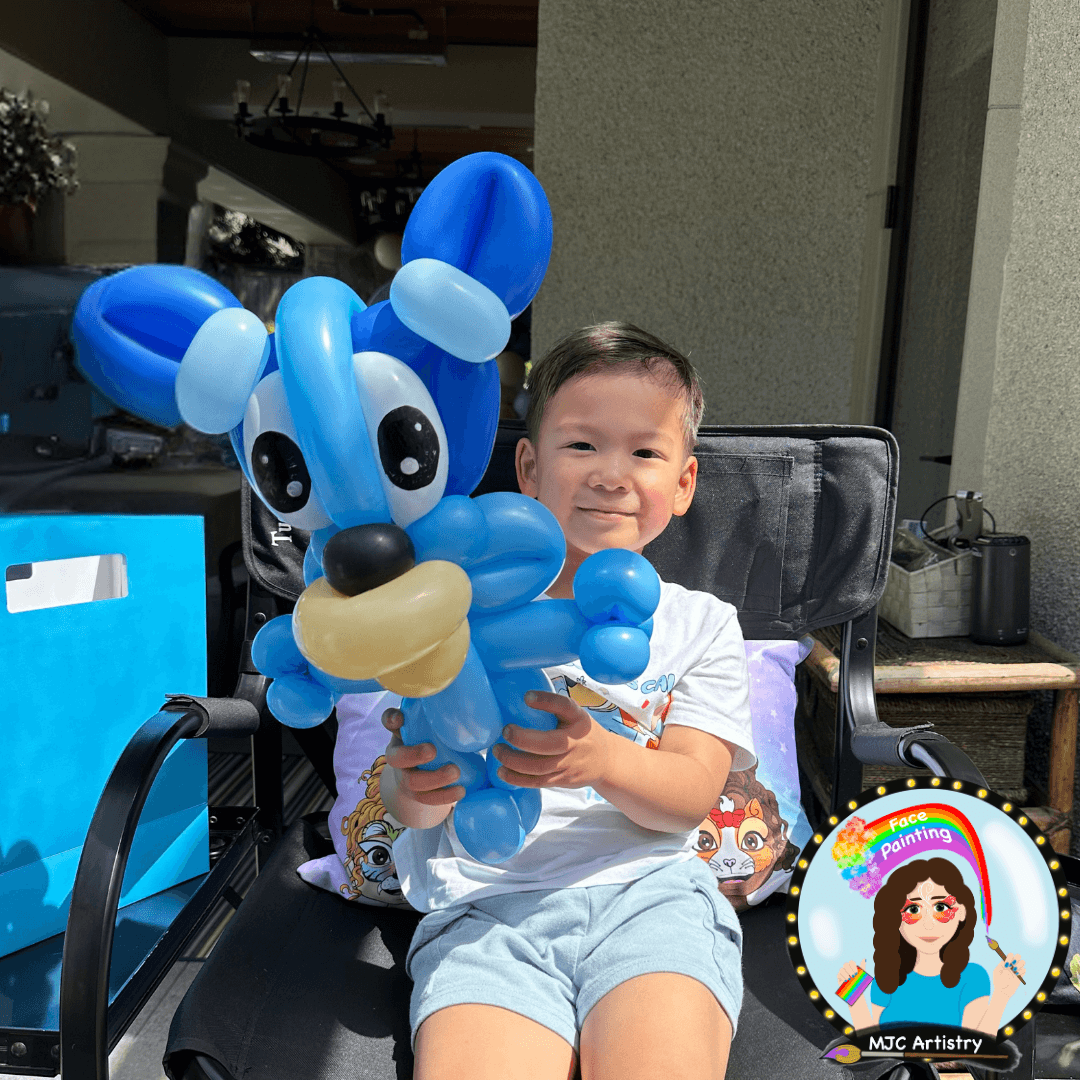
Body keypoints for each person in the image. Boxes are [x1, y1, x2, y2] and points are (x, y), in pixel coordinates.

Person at [379, 322, 756, 1080]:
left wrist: (599, 757)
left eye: (645, 452)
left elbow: (687, 798)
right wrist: (414, 786)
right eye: (582, 445)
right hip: (487, 909)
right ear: (529, 466)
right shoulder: (454, 618)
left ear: (683, 484)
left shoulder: (700, 626)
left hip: (652, 900)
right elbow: (406, 802)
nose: (612, 475)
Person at [837, 857, 1026, 1034]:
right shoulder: (886, 976)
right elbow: (872, 1047)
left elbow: (975, 1047)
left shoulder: (974, 978)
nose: (928, 924)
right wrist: (854, 994)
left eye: (941, 908)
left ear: (961, 912)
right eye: (913, 909)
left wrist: (1002, 995)